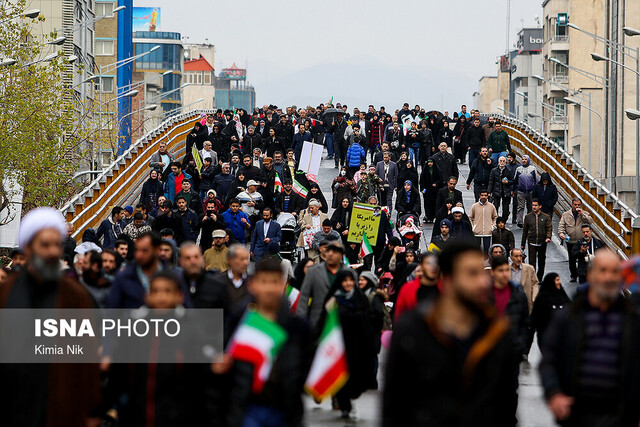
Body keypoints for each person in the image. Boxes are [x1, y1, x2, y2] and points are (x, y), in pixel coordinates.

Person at [383, 241, 518, 426]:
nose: (483, 281)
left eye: (482, 272)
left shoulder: (497, 335)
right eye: (472, 274)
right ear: (448, 278)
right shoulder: (412, 332)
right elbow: (393, 408)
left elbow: (506, 409)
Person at [0, 208, 101, 426]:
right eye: (45, 245)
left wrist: (91, 412)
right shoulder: (5, 294)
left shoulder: (77, 297)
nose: (53, 252)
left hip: (61, 408)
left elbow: (87, 359)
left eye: (56, 244)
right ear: (28, 248)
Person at [540, 250, 640, 426]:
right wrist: (554, 392)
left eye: (614, 272)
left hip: (620, 416)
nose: (608, 278)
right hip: (577, 414)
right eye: (603, 270)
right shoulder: (569, 318)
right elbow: (549, 359)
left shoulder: (631, 320)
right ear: (590, 274)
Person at [221, 258, 313, 427]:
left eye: (275, 282)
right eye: (264, 282)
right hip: (247, 407)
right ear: (253, 285)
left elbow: (307, 365)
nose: (269, 288)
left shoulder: (297, 328)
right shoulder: (238, 321)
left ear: (283, 285)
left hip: (284, 409)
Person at [321, 269, 378, 420]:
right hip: (339, 346)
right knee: (342, 375)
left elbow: (369, 318)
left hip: (358, 345)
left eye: (350, 281)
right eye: (345, 280)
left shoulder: (360, 298)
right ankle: (344, 404)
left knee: (356, 376)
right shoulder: (334, 299)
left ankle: (350, 395)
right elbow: (325, 319)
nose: (348, 284)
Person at [108, 232, 165, 309]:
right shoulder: (123, 277)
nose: (139, 255)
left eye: (145, 250)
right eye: (137, 250)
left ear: (157, 250)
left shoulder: (172, 276)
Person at [296, 240, 346, 327]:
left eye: (334, 251)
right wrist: (301, 321)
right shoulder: (313, 271)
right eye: (328, 250)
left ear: (341, 255)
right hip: (317, 321)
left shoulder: (349, 273)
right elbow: (304, 297)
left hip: (341, 323)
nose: (330, 254)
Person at [490, 255, 530, 363]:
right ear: (492, 272)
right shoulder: (485, 294)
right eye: (500, 271)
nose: (505, 274)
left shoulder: (518, 293)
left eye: (507, 270)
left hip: (512, 350)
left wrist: (520, 345)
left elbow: (525, 322)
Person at [179, 242, 230, 310]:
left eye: (196, 257)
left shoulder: (218, 287)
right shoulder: (174, 286)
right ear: (180, 262)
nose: (193, 261)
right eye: (188, 258)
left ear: (203, 260)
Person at [394, 252, 440, 321]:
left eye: (435, 264)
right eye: (428, 264)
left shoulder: (445, 288)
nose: (432, 267)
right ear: (421, 266)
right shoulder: (408, 288)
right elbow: (399, 313)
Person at [558, 198, 593, 282]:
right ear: (572, 205)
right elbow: (561, 225)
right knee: (572, 258)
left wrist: (582, 214)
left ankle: (583, 274)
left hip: (581, 240)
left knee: (583, 257)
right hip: (571, 240)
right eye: (575, 205)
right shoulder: (566, 214)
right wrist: (561, 233)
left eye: (578, 205)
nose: (577, 206)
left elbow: (590, 221)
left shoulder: (584, 214)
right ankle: (573, 275)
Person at [529, 273, 569, 345]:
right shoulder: (542, 299)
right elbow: (534, 320)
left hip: (562, 337)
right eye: (557, 280)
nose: (559, 282)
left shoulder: (562, 297)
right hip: (545, 337)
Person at [521, 199, 552, 281]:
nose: (534, 207)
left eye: (535, 205)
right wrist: (523, 243)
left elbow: (549, 228)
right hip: (532, 242)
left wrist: (548, 237)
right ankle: (533, 278)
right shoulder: (528, 217)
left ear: (540, 206)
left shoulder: (546, 217)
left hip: (542, 242)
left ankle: (540, 278)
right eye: (533, 205)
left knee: (541, 261)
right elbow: (525, 231)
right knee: (532, 262)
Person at [211, 244, 250, 308]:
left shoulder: (252, 283)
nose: (245, 263)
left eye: (246, 259)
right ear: (230, 260)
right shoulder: (217, 282)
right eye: (241, 259)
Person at [509, 248, 539, 313]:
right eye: (516, 256)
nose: (519, 259)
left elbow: (535, 284)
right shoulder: (506, 269)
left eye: (520, 256)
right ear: (511, 258)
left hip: (526, 303)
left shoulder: (529, 269)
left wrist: (534, 298)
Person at [487, 156, 514, 221]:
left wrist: (507, 182)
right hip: (496, 191)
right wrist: (489, 192)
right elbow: (491, 182)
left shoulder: (508, 171)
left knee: (505, 208)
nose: (502, 162)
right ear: (498, 162)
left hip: (506, 192)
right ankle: (495, 220)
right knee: (495, 206)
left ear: (505, 162)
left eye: (503, 161)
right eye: (501, 161)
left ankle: (504, 220)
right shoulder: (494, 171)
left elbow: (513, 181)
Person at [514, 155, 537, 227]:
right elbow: (515, 180)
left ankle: (529, 222)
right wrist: (513, 190)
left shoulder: (533, 169)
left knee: (530, 207)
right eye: (523, 159)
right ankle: (520, 221)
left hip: (530, 191)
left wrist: (536, 190)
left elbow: (536, 180)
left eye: (525, 159)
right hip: (521, 191)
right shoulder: (518, 169)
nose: (524, 161)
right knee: (520, 206)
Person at [419, 158, 441, 223]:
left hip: (435, 190)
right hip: (427, 190)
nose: (430, 164)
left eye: (431, 162)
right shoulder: (425, 170)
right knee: (427, 203)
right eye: (429, 162)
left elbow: (440, 179)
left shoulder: (437, 170)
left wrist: (436, 183)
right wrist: (422, 189)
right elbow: (422, 180)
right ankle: (428, 215)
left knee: (434, 203)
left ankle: (433, 216)